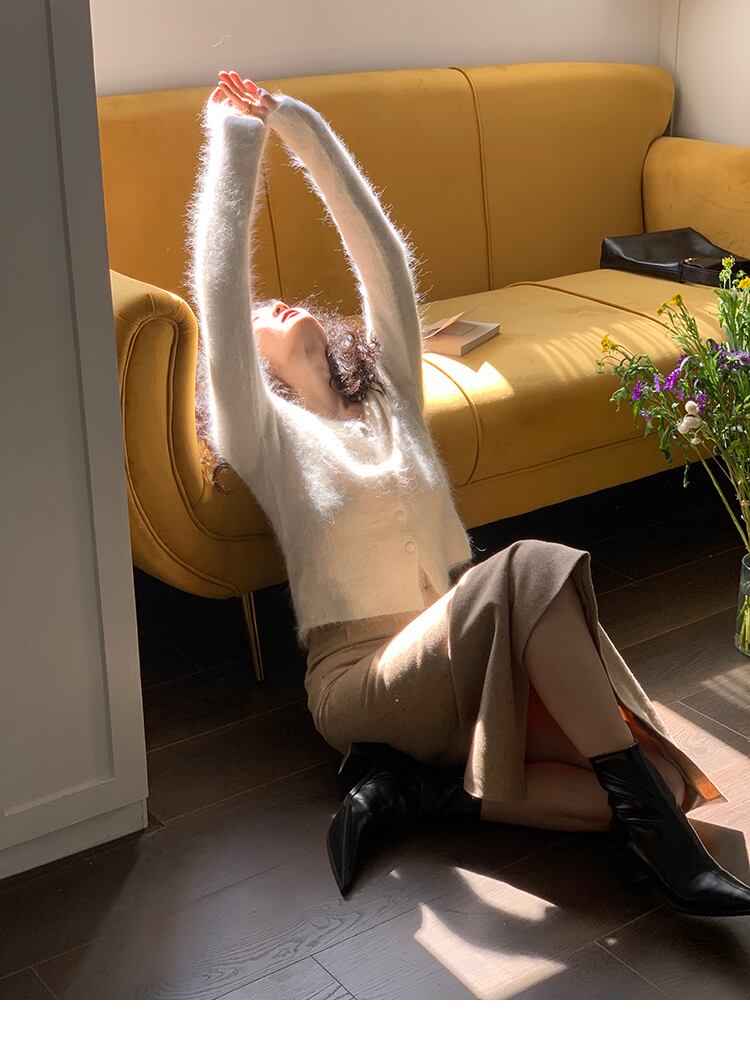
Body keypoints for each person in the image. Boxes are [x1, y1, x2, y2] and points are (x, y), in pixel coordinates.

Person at [185, 69, 750, 917]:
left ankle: (425, 796)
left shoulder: (391, 394)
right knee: (528, 564)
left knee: (665, 777)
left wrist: (296, 124)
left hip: (468, 653)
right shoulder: (266, 437)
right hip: (366, 678)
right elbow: (221, 292)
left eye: (280, 301)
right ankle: (670, 857)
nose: (271, 305)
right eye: (258, 316)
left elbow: (381, 255)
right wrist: (236, 141)